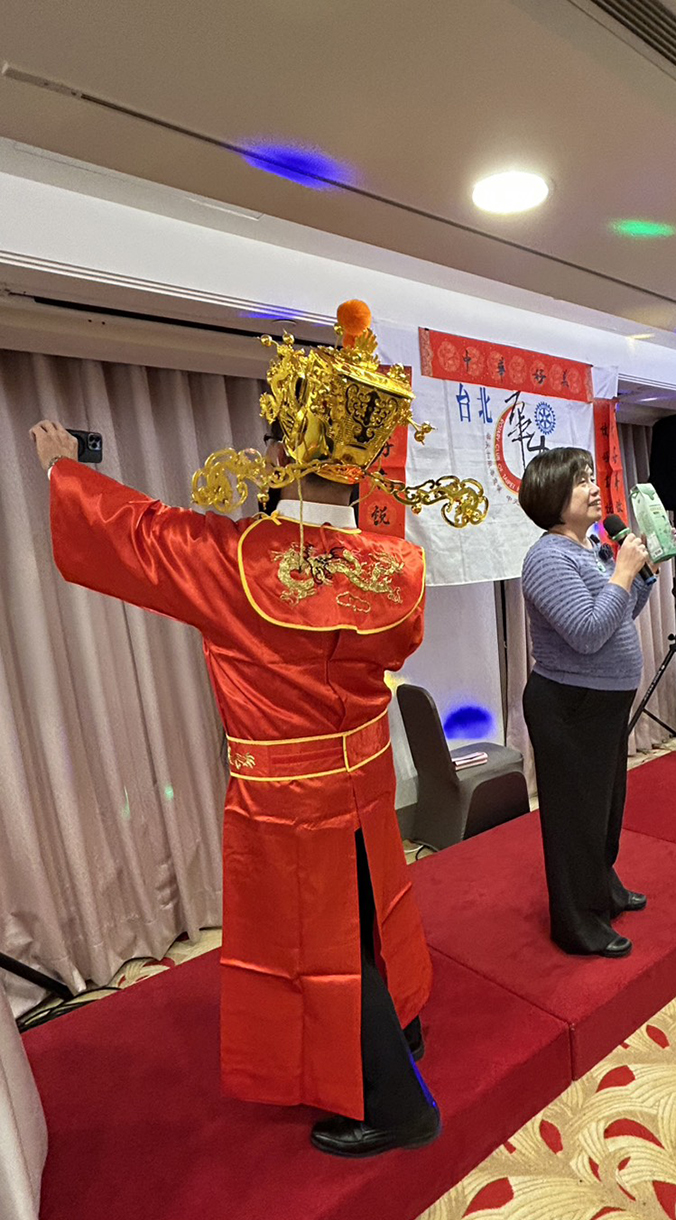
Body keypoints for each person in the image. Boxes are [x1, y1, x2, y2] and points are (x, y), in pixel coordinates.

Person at [30, 303, 487, 1158]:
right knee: (370, 905)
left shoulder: (236, 561)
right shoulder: (398, 568)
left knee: (319, 938)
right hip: (364, 769)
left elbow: (137, 533)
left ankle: (398, 1106)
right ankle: (401, 1028)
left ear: (281, 454)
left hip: (288, 793)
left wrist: (66, 471)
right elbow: (392, 646)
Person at [519, 448, 654, 959]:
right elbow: (587, 632)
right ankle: (577, 924)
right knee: (575, 819)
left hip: (602, 704)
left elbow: (618, 615)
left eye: (593, 477)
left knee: (604, 810)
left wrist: (639, 576)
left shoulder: (589, 548)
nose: (595, 487)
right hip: (568, 705)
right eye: (581, 481)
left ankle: (604, 890)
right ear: (554, 496)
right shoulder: (547, 558)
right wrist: (621, 573)